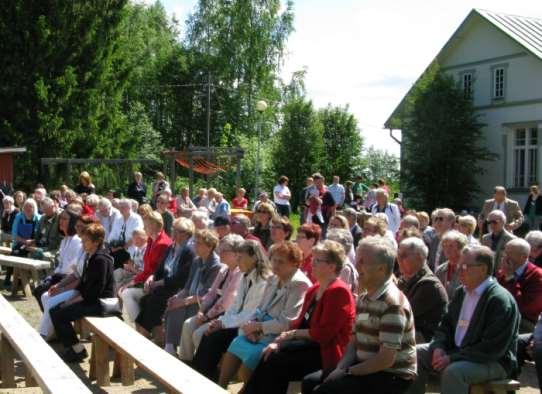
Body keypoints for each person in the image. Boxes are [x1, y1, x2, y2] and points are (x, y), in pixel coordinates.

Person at [304, 236, 416, 394]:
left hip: (391, 376)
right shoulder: (364, 298)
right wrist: (341, 367)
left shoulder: (392, 305)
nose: (356, 266)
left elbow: (386, 360)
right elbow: (353, 342)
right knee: (310, 382)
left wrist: (348, 372)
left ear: (381, 268)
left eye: (363, 262)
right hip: (363, 368)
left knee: (326, 391)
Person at [244, 240, 356, 394]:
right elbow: (300, 323)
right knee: (270, 354)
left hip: (325, 352)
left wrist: (292, 335)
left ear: (332, 266)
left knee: (277, 361)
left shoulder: (338, 292)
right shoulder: (314, 289)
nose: (312, 263)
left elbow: (323, 334)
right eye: (313, 259)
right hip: (307, 346)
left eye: (318, 260)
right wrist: (280, 341)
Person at [410, 245, 520, 394]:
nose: (458, 270)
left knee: (453, 372)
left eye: (465, 266)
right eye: (459, 265)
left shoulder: (499, 300)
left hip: (493, 361)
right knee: (414, 354)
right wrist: (438, 346)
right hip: (458, 352)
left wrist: (452, 358)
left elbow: (492, 348)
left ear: (483, 269)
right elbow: (445, 325)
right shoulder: (461, 292)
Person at [218, 241, 312, 388]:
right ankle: (219, 387)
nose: (275, 265)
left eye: (281, 262)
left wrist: (259, 327)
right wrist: (252, 327)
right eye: (273, 260)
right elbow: (260, 308)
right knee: (235, 345)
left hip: (278, 335)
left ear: (294, 263)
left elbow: (288, 322)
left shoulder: (299, 284)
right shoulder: (274, 278)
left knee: (246, 368)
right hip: (260, 329)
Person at [192, 240, 271, 380]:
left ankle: (205, 379)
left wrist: (222, 324)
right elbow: (235, 306)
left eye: (241, 257)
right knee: (208, 334)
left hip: (249, 327)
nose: (237, 260)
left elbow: (249, 313)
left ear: (253, 257)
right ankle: (200, 376)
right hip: (235, 322)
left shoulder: (262, 281)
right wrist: (219, 321)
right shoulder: (245, 276)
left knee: (213, 338)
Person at [49, 223, 114, 362]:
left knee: (59, 313)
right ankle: (77, 349)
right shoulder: (91, 256)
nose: (83, 244)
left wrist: (71, 302)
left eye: (86, 241)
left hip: (100, 303)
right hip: (91, 300)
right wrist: (67, 296)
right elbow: (84, 283)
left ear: (96, 242)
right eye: (83, 240)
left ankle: (77, 351)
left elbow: (96, 290)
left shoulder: (100, 259)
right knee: (56, 310)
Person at [179, 234, 244, 360]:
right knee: (188, 324)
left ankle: (204, 364)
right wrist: (201, 311)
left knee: (199, 334)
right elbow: (211, 293)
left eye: (225, 251)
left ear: (237, 254)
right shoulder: (224, 270)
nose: (221, 252)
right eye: (221, 249)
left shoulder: (239, 273)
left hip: (226, 315)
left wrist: (207, 316)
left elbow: (227, 302)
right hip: (211, 312)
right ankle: (185, 360)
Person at [135, 218, 196, 343]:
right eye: (173, 229)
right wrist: (152, 278)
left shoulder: (189, 251)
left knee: (154, 300)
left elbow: (181, 278)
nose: (173, 232)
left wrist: (158, 283)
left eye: (177, 230)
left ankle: (142, 339)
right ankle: (158, 338)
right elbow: (160, 268)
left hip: (178, 289)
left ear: (186, 233)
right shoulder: (171, 247)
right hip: (165, 286)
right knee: (144, 301)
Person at [163, 229, 223, 354]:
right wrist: (177, 297)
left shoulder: (216, 266)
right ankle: (170, 346)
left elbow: (206, 294)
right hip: (191, 298)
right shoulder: (197, 261)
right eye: (195, 242)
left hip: (204, 304)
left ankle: (177, 350)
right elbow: (187, 287)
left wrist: (183, 302)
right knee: (172, 305)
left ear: (210, 246)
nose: (195, 246)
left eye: (199, 243)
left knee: (178, 309)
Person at [119, 211, 171, 323]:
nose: (144, 227)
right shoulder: (152, 240)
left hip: (156, 284)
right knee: (123, 290)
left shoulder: (162, 243)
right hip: (147, 279)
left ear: (153, 225)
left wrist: (131, 282)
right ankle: (140, 325)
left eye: (146, 225)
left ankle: (140, 325)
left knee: (126, 293)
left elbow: (152, 270)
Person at [397, 237, 448, 342]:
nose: (398, 259)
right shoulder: (406, 280)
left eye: (403, 256)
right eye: (398, 254)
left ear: (420, 257)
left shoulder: (429, 285)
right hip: (409, 333)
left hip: (427, 339)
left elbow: (401, 315)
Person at [33, 209, 82, 311]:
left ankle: (50, 319)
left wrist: (57, 279)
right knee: (38, 290)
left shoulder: (77, 241)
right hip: (60, 276)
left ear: (72, 222)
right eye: (61, 218)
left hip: (69, 279)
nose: (61, 221)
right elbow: (61, 263)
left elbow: (72, 268)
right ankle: (49, 318)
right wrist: (53, 275)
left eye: (65, 219)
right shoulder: (65, 240)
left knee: (43, 292)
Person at [497, 238, 542, 333]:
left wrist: (510, 278)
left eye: (510, 253)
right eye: (505, 252)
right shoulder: (504, 271)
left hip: (524, 322)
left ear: (524, 257)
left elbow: (524, 307)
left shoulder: (537, 276)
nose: (505, 257)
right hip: (501, 315)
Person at [6, 198, 41, 286]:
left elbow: (40, 235)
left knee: (23, 254)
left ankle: (22, 280)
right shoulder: (19, 216)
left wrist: (31, 241)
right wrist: (24, 241)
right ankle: (9, 277)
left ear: (34, 208)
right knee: (14, 253)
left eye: (30, 207)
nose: (28, 209)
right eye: (26, 206)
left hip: (33, 244)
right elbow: (14, 233)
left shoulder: (39, 218)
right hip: (20, 242)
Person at [108, 198, 144, 269]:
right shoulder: (118, 219)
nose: (121, 209)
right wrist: (112, 246)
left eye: (123, 207)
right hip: (117, 249)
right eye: (120, 207)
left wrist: (122, 247)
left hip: (130, 249)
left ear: (129, 207)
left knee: (115, 262)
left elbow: (136, 236)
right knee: (107, 259)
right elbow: (112, 235)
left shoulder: (136, 219)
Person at [435, 230, 469, 299]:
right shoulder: (440, 270)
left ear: (461, 248)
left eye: (451, 246)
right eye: (444, 246)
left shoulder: (468, 269)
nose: (447, 249)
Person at [326, 228, 358, 293]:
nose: (326, 248)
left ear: (342, 248)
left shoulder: (345, 268)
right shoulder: (335, 264)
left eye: (330, 245)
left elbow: (339, 294)